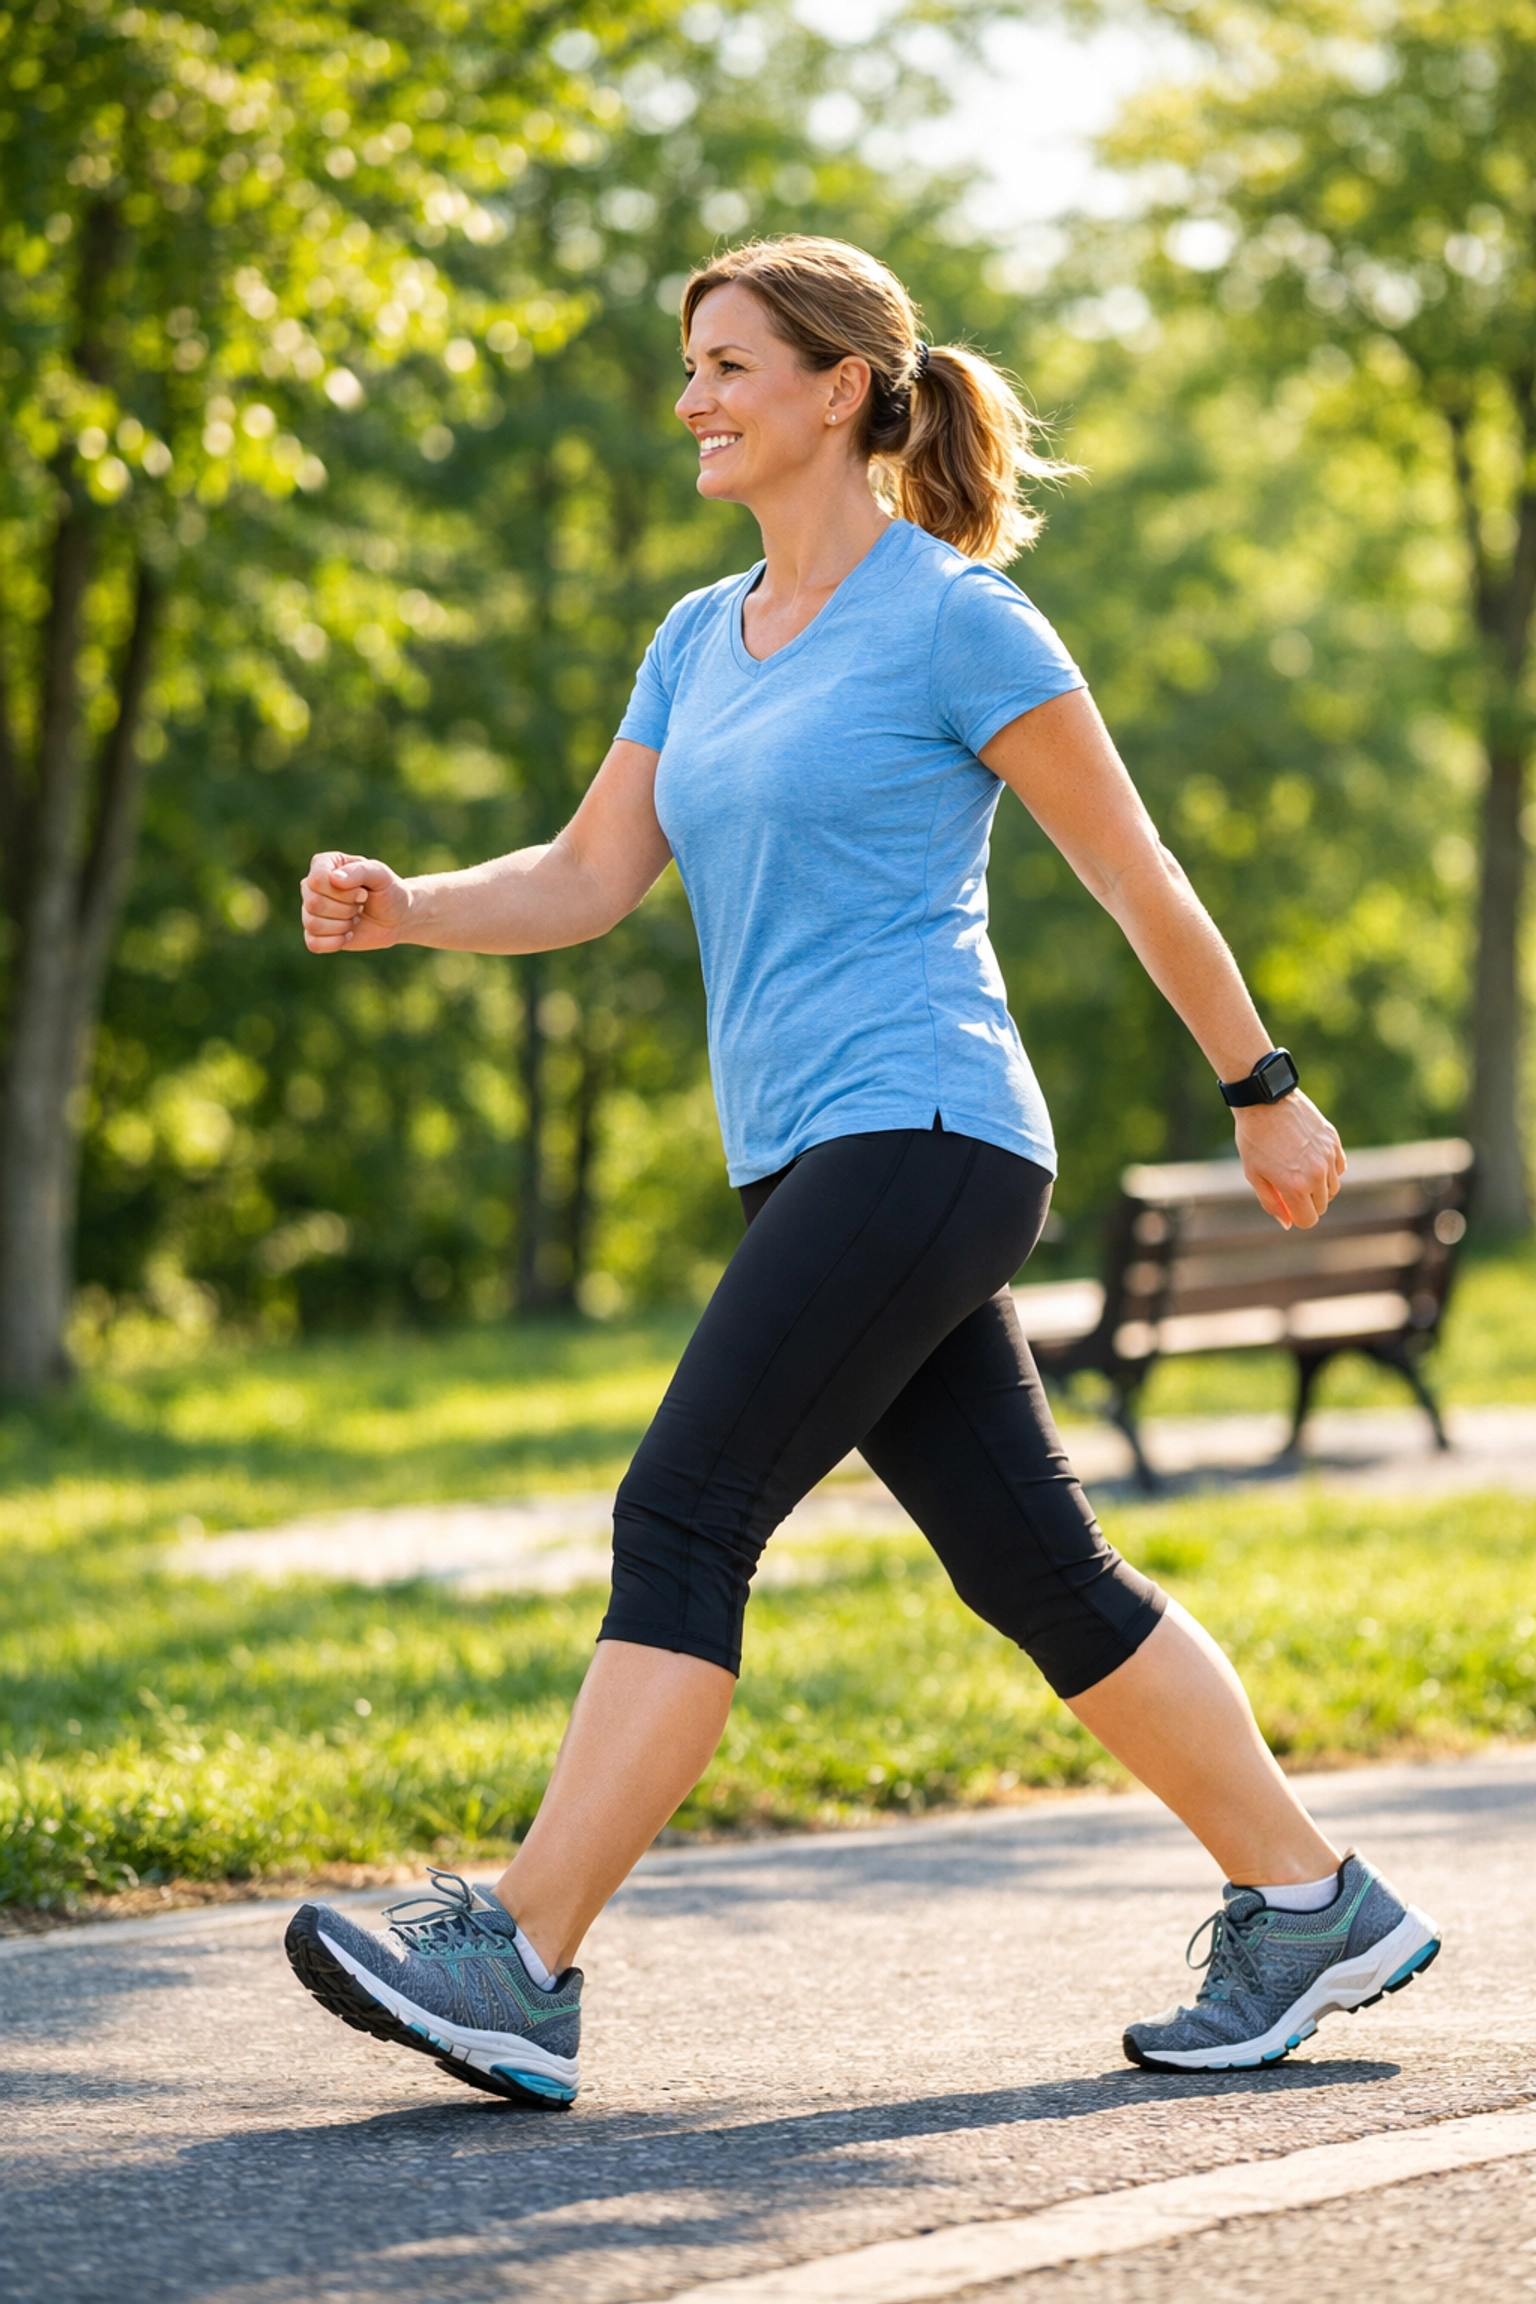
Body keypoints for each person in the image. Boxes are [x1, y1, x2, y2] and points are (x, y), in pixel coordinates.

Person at [286, 236, 1439, 2107]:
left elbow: (1131, 869)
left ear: (840, 391)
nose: (695, 398)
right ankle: (1310, 1901)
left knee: (683, 1513)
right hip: (811, 1156)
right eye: (690, 365)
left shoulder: (956, 619)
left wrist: (1263, 1086)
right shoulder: (696, 636)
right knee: (1040, 1570)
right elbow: (587, 877)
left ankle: (523, 1954)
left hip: (926, 1127)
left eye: (731, 364)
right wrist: (411, 904)